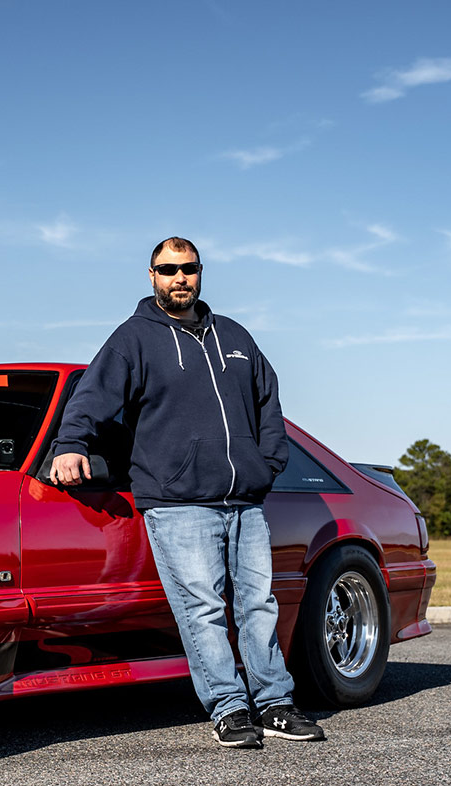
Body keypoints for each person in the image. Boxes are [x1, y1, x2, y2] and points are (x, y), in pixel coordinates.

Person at [49, 236, 325, 749]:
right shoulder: (134, 339)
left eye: (189, 268)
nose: (180, 277)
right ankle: (228, 708)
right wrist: (71, 444)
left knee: (258, 605)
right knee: (201, 609)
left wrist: (265, 466)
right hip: (178, 505)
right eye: (168, 269)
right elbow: (92, 395)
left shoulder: (236, 337)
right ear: (151, 276)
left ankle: (275, 705)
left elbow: (269, 402)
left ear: (201, 272)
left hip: (244, 501)